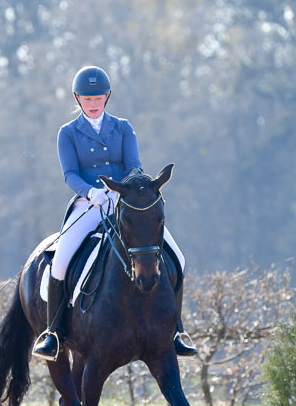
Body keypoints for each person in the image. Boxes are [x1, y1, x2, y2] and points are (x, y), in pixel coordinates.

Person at [32, 65, 197, 361]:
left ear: (107, 97)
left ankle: (176, 331)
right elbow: (69, 174)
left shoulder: (123, 127)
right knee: (59, 264)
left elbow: (134, 165)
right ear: (77, 98)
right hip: (89, 205)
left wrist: (123, 190)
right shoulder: (67, 133)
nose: (93, 104)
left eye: (98, 99)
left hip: (125, 204)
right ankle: (53, 334)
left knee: (178, 259)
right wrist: (90, 192)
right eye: (87, 99)